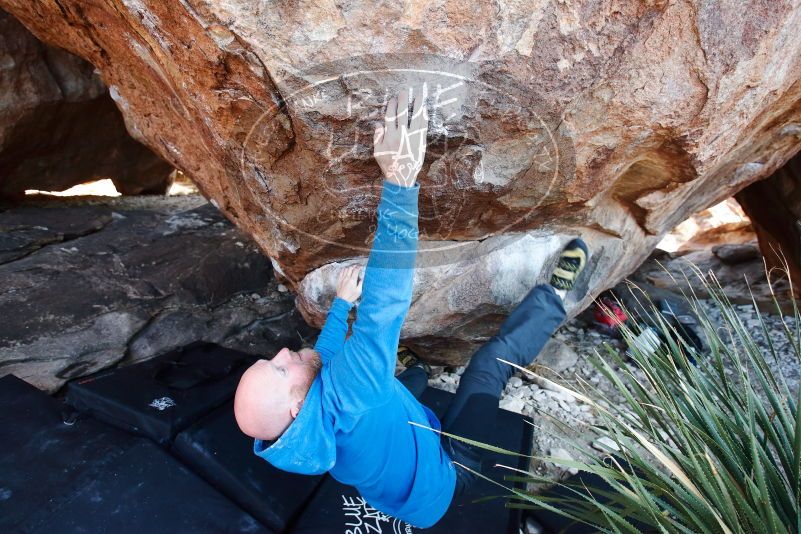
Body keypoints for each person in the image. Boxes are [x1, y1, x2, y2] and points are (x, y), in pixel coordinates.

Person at [234, 87, 590, 528]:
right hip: (452, 471)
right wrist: (400, 183)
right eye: (279, 368)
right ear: (297, 405)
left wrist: (343, 305)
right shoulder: (350, 394)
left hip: (404, 484)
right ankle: (554, 298)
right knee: (487, 367)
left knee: (413, 378)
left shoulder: (301, 437)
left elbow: (320, 358)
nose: (283, 353)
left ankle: (403, 374)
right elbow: (385, 304)